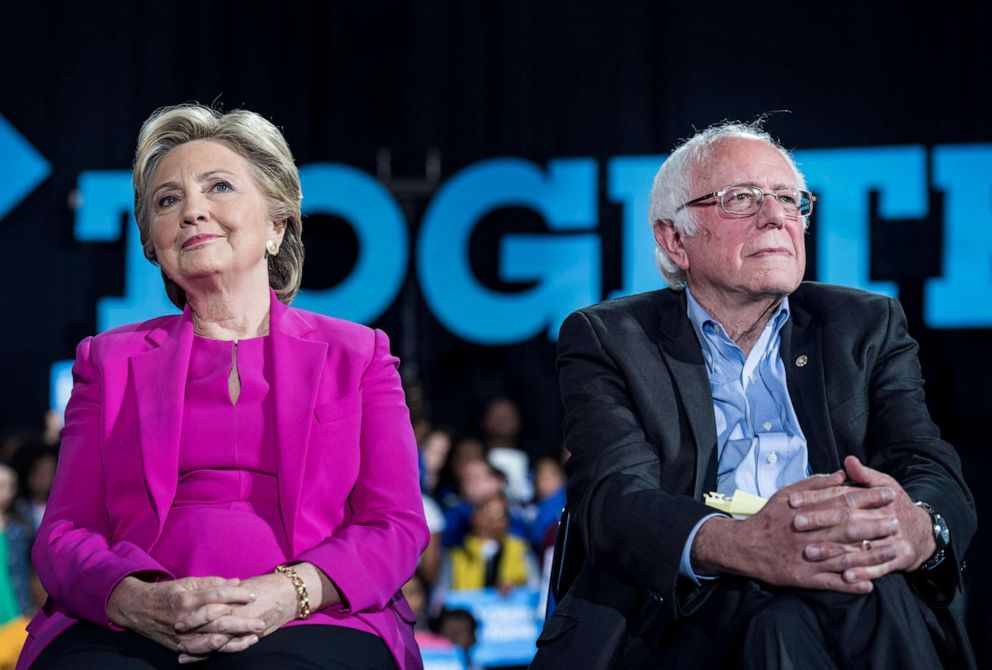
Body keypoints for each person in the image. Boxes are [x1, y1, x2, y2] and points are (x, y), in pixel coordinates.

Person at [531, 122, 976, 669]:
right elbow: (614, 500)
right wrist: (744, 546)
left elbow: (924, 459)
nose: (776, 217)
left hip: (848, 583)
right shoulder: (610, 339)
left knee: (844, 592)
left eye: (790, 200)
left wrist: (918, 526)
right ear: (675, 239)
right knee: (804, 609)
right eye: (741, 199)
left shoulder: (864, 324)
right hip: (685, 606)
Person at [18, 104, 428, 670]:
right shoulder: (107, 362)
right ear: (153, 243)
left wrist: (289, 592)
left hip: (314, 614)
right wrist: (132, 598)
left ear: (277, 226)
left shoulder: (358, 355)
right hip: (132, 621)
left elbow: (395, 525)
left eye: (219, 186)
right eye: (168, 200)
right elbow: (65, 532)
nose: (192, 211)